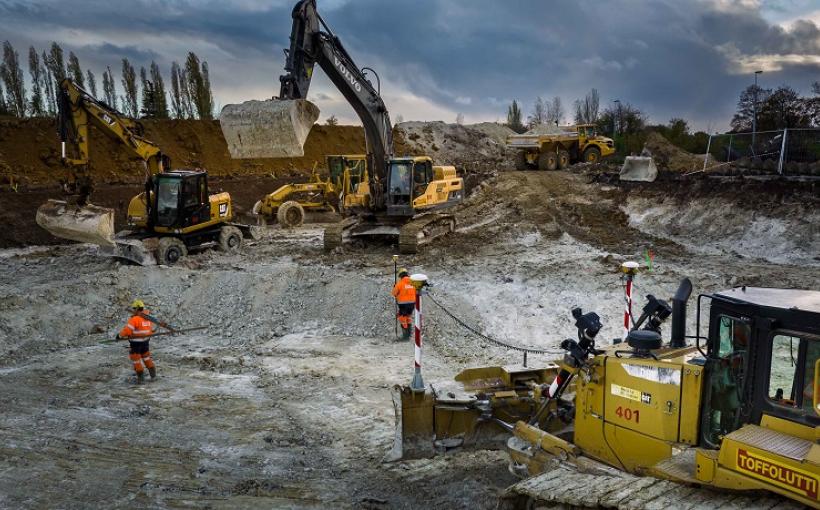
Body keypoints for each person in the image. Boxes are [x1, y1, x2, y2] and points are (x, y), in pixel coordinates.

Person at [116, 299, 157, 384]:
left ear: (137, 309)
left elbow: (127, 331)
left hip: (136, 344)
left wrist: (119, 336)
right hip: (145, 343)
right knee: (146, 358)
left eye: (134, 308)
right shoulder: (147, 318)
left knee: (136, 360)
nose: (133, 310)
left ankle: (141, 380)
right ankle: (153, 376)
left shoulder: (135, 319)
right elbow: (150, 330)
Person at [392, 268, 416, 340]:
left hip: (403, 305)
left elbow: (394, 293)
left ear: (400, 275)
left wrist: (394, 287)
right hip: (412, 304)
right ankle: (409, 334)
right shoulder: (413, 283)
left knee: (402, 318)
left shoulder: (399, 284)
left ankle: (405, 337)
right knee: (408, 317)